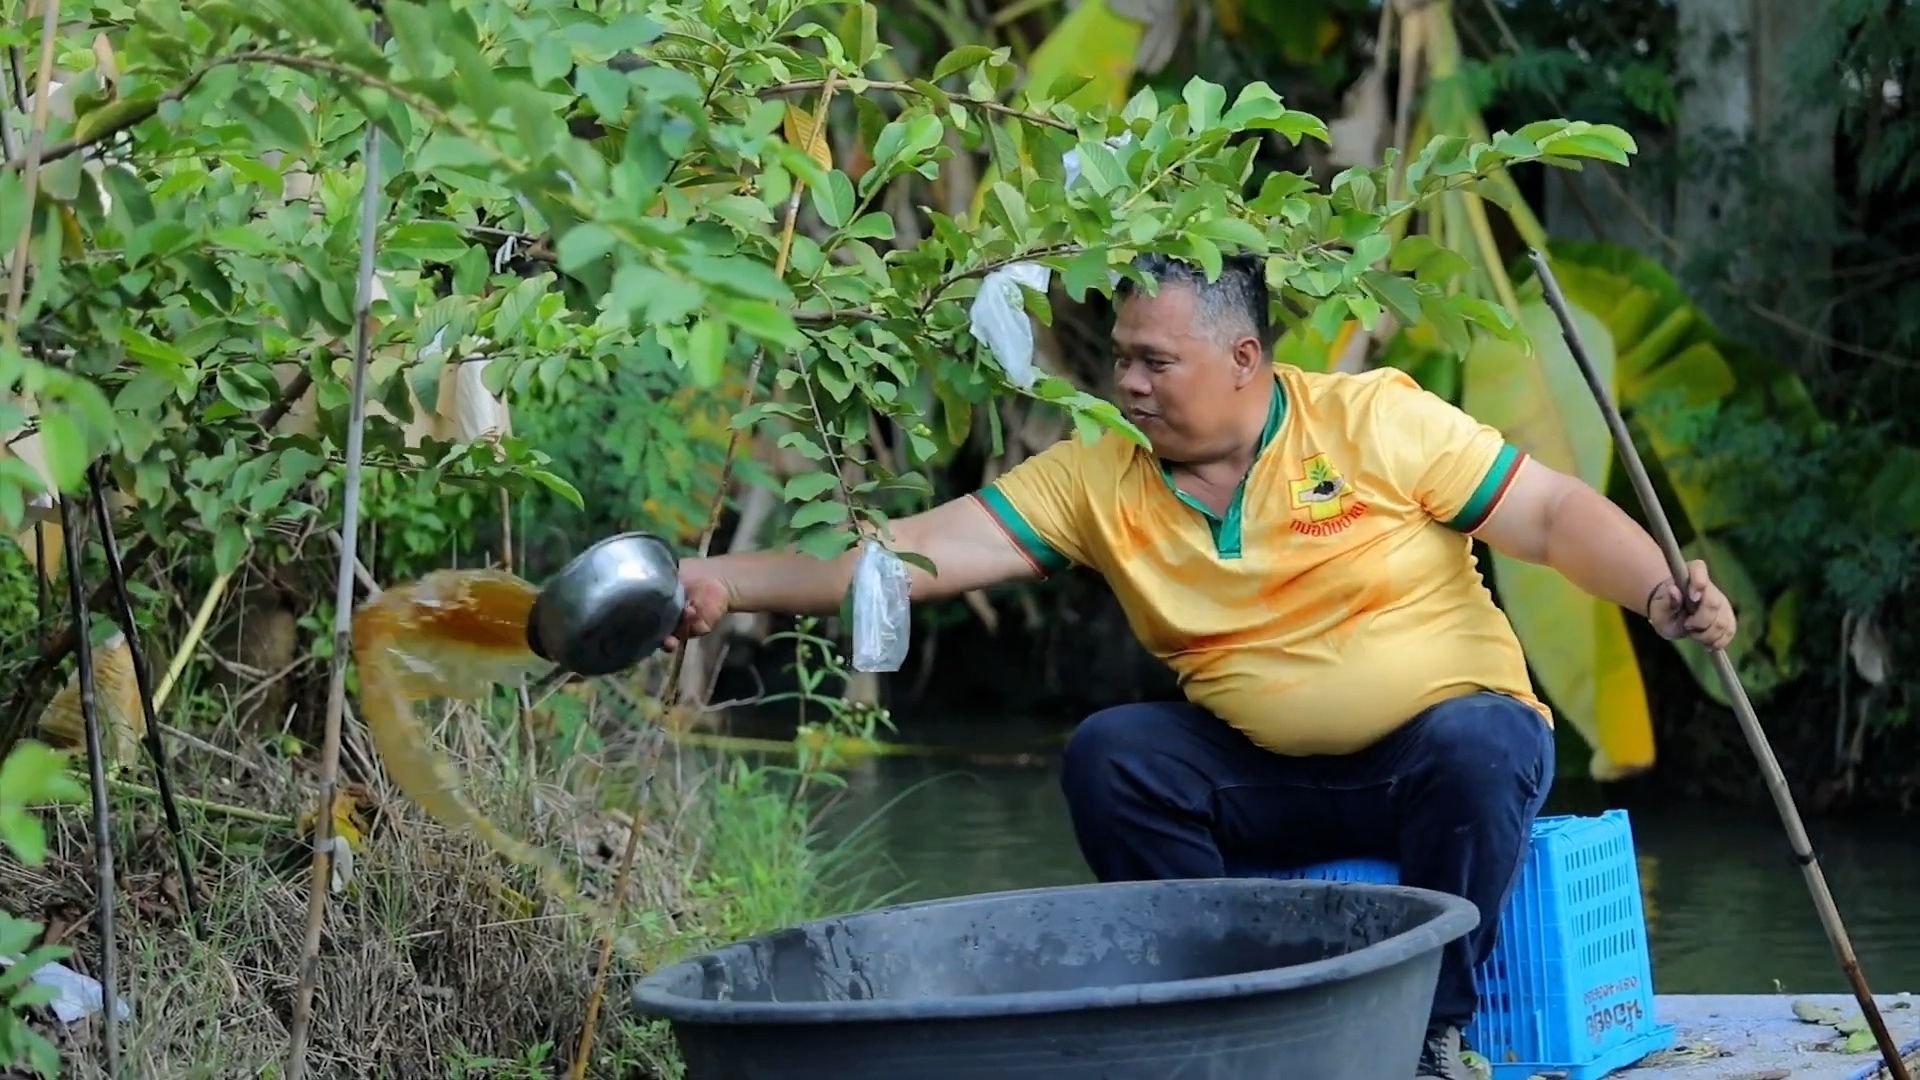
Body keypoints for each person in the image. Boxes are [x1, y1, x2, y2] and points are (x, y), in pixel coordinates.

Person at [663, 252, 1735, 1079]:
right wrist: (726, 582)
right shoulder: (1093, 480)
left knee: (1483, 737)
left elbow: (1547, 514)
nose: (1124, 383)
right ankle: (1235, 1017)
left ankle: (1424, 1036)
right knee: (1113, 755)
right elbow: (901, 560)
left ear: (1242, 361)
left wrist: (1657, 591)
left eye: (1152, 362)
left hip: (1438, 763)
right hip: (1265, 778)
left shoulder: (1376, 422)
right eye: (1120, 355)